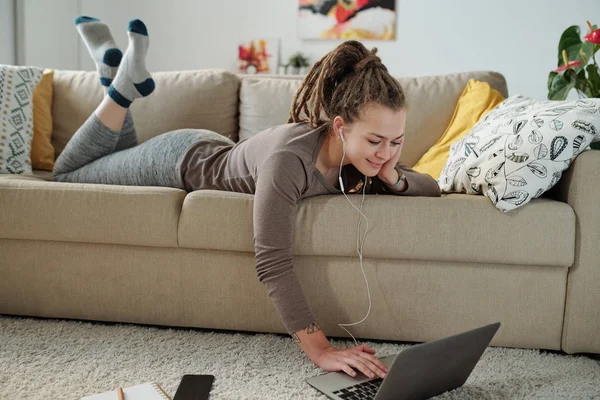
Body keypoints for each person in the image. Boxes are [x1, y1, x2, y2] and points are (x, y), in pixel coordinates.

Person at [54, 17, 441, 381]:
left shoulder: (363, 157)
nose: (385, 152)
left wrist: (393, 174)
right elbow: (271, 260)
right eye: (375, 141)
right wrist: (322, 351)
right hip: (176, 160)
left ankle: (118, 78)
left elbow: (432, 188)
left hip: (208, 146)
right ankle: (121, 91)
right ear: (339, 127)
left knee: (111, 157)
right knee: (68, 173)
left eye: (396, 141)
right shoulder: (290, 161)